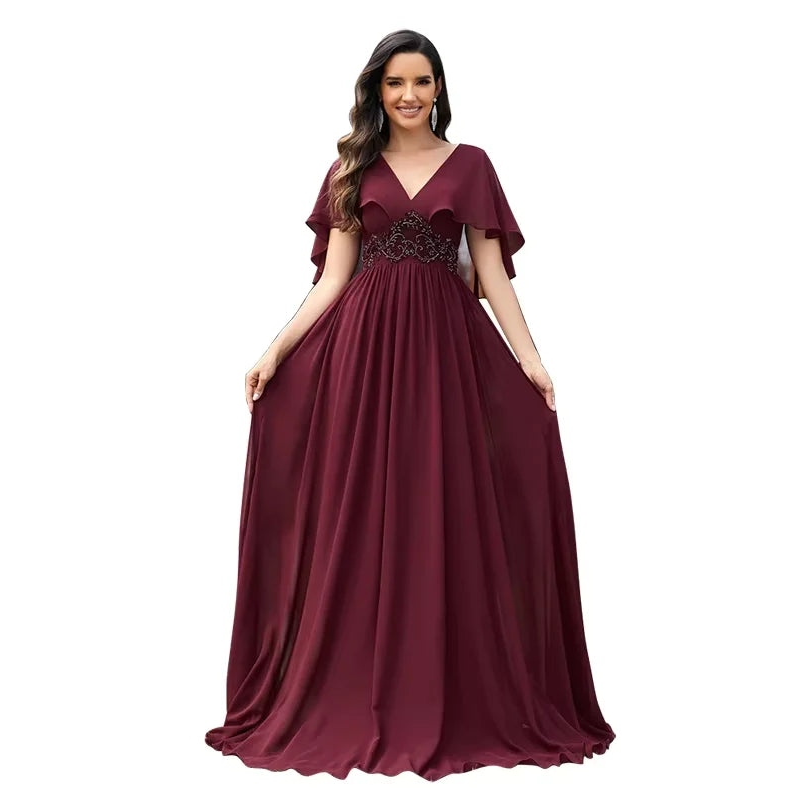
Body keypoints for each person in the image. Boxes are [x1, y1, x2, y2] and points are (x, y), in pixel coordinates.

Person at [205, 29, 616, 782]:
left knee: (443, 502)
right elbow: (333, 281)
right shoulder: (349, 168)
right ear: (376, 89)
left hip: (446, 354)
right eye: (395, 82)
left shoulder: (472, 165)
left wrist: (531, 361)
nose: (408, 95)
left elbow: (491, 274)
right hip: (363, 356)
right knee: (361, 507)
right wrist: (275, 350)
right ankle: (352, 682)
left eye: (421, 81)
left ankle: (449, 683)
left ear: (439, 89)